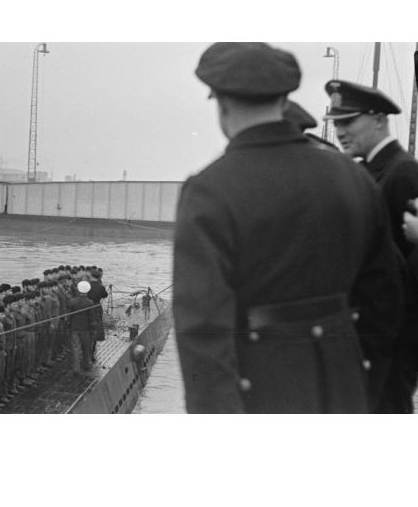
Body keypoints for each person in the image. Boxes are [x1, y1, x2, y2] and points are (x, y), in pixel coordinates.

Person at [173, 42, 403, 414]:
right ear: (284, 100)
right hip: (346, 389)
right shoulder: (353, 178)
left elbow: (202, 333)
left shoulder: (209, 190)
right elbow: (385, 302)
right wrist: (363, 390)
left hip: (260, 393)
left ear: (222, 102)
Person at [324, 79, 418, 413]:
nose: (340, 131)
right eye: (336, 123)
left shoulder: (403, 172)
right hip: (374, 335)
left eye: (348, 121)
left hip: (394, 339)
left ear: (379, 119)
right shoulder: (373, 171)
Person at [69, 280, 94, 376]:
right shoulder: (90, 302)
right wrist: (93, 328)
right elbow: (91, 317)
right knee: (86, 347)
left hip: (74, 328)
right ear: (87, 291)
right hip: (85, 329)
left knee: (75, 348)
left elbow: (69, 316)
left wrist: (69, 326)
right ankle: (86, 365)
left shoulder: (73, 302)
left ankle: (76, 368)